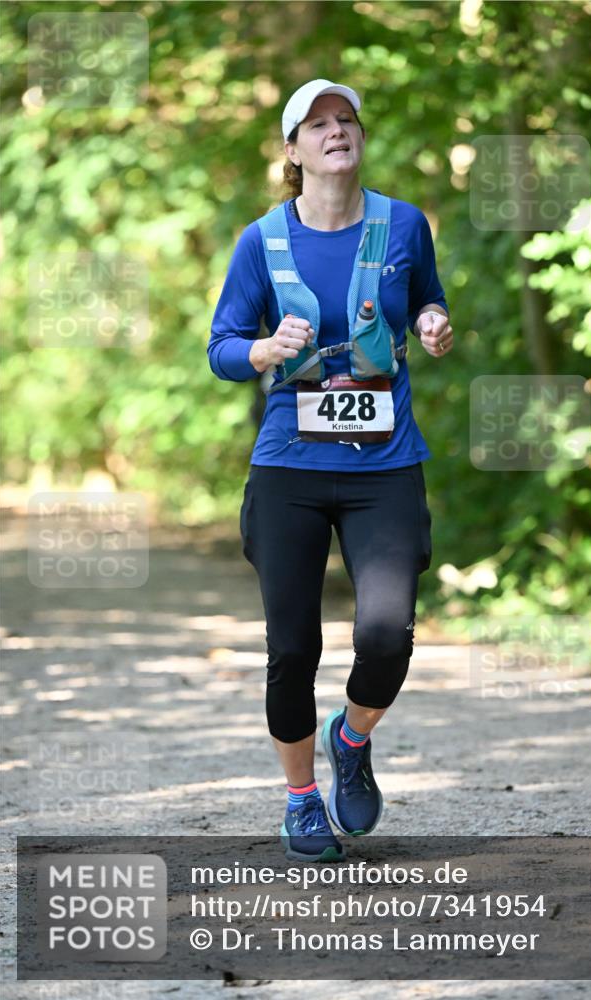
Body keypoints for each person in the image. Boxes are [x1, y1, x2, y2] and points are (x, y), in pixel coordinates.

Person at [208, 79, 453, 863]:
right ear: (293, 151)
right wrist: (261, 350)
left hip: (386, 462)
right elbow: (220, 348)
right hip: (289, 467)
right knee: (292, 647)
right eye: (317, 124)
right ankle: (301, 801)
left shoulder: (403, 224)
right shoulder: (262, 241)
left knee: (387, 635)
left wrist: (431, 321)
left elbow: (426, 300)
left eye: (345, 118)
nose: (335, 130)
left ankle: (352, 738)